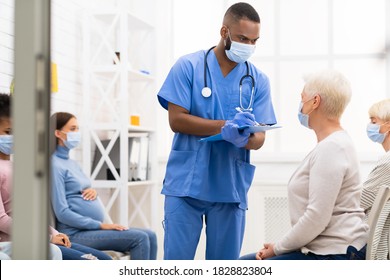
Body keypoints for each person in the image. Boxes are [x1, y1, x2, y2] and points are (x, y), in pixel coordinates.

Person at [157, 2, 276, 260]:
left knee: (224, 268)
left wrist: (245, 137)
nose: (249, 46)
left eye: (255, 41)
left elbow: (260, 137)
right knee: (176, 265)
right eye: (243, 38)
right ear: (224, 32)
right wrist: (225, 126)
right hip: (186, 183)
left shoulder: (258, 80)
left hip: (229, 186)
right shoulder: (187, 66)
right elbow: (177, 120)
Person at [240, 70, 369, 260]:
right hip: (324, 247)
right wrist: (280, 246)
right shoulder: (333, 144)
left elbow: (316, 218)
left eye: (302, 98)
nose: (300, 105)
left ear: (315, 101)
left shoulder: (332, 148)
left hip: (334, 253)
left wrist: (277, 248)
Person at [0, 93, 110, 260]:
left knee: (106, 260)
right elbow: (2, 219)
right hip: (21, 243)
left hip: (43, 237)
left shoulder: (16, 167)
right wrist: (48, 238)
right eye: (9, 131)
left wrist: (53, 232)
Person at [50, 112, 157, 260]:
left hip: (89, 230)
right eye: (73, 129)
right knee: (140, 238)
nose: (77, 133)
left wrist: (92, 191)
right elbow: (62, 212)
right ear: (58, 133)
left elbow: (79, 189)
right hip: (75, 233)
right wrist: (100, 225)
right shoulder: (54, 165)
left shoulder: (71, 162)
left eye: (78, 129)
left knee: (151, 235)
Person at [360, 98, 390, 259]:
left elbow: (360, 200)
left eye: (373, 121)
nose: (370, 126)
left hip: (370, 244)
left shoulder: (388, 162)